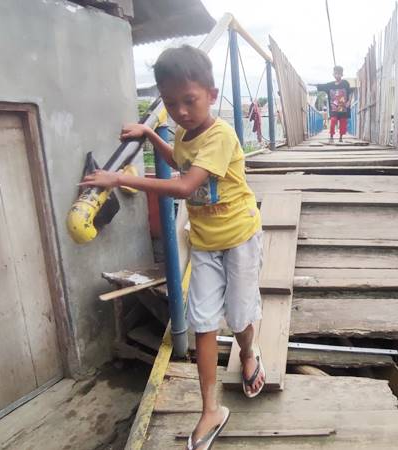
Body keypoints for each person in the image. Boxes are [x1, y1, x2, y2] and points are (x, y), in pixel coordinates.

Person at [80, 45, 264, 450]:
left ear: (211, 95)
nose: (180, 111)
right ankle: (210, 409)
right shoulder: (183, 132)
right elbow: (181, 161)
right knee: (203, 323)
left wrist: (119, 178)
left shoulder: (221, 136)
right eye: (170, 102)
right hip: (205, 243)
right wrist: (150, 134)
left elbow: (183, 186)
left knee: (239, 317)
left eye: (189, 100)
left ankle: (249, 352)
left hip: (239, 238)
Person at [315, 65, 352, 143]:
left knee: (343, 123)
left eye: (339, 74)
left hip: (343, 109)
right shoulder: (330, 85)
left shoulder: (345, 83)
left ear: (342, 74)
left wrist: (349, 101)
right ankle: (331, 137)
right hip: (334, 109)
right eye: (336, 74)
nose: (337, 75)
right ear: (333, 74)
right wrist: (315, 85)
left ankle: (341, 137)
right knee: (333, 121)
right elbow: (322, 86)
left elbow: (350, 93)